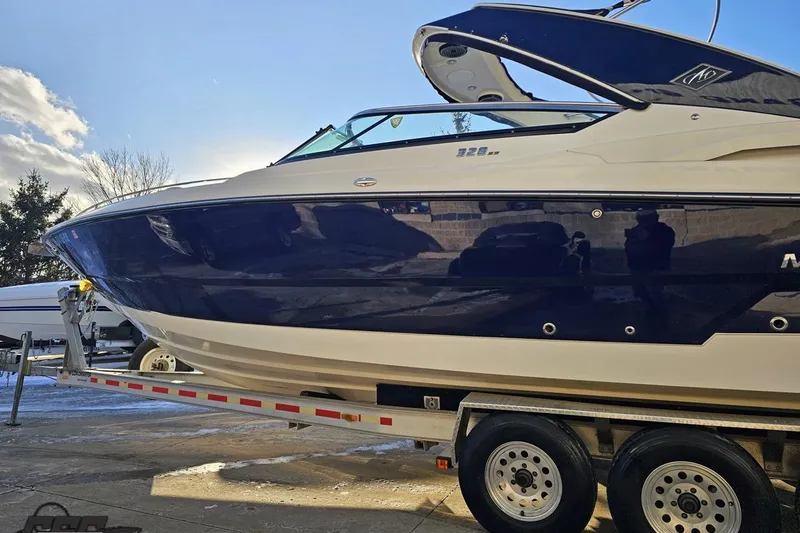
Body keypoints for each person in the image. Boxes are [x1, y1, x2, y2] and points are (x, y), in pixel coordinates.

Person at [624, 209, 675, 317]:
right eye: (642, 219)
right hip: (639, 270)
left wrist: (647, 238)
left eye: (648, 219)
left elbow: (665, 246)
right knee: (643, 297)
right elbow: (630, 250)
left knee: (657, 298)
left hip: (657, 269)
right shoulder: (635, 232)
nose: (645, 222)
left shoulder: (664, 231)